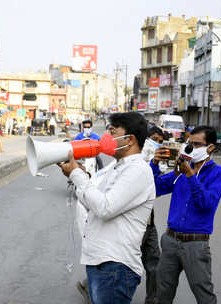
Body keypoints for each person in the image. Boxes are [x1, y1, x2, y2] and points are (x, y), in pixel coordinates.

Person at [59, 112, 156, 304]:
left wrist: (78, 176)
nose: (107, 136)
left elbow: (105, 208)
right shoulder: (116, 167)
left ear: (130, 139)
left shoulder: (137, 170)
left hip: (115, 265)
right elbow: (91, 203)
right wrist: (78, 176)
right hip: (100, 261)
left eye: (113, 131)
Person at [150, 126, 221, 304]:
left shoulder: (219, 173)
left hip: (196, 243)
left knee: (204, 295)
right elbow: (154, 188)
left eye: (197, 144)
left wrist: (190, 175)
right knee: (163, 292)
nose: (192, 148)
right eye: (189, 143)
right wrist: (154, 164)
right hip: (170, 240)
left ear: (210, 148)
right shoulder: (181, 171)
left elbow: (206, 203)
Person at [138, 126, 165, 304]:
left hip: (149, 222)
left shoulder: (156, 160)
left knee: (154, 264)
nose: (158, 143)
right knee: (121, 262)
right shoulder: (136, 158)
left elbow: (157, 186)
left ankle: (152, 299)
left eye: (161, 141)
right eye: (155, 138)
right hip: (133, 223)